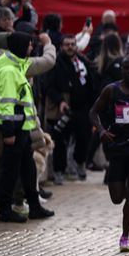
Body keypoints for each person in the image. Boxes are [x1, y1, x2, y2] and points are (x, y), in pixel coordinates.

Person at [90, 55, 129, 252]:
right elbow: (93, 112)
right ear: (121, 70)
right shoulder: (111, 90)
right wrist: (101, 130)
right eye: (127, 68)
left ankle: (125, 237)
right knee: (117, 198)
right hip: (117, 149)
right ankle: (124, 189)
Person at [0, 32, 54, 222]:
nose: (32, 48)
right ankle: (5, 210)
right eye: (29, 45)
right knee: (9, 172)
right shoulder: (9, 71)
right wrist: (8, 132)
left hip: (22, 129)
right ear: (22, 47)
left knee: (28, 171)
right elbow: (6, 104)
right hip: (14, 130)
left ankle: (35, 206)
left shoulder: (17, 65)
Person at [46, 34, 97, 182]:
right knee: (60, 142)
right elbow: (49, 87)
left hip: (84, 108)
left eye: (72, 44)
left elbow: (91, 83)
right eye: (67, 44)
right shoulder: (56, 63)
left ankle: (80, 163)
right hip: (65, 109)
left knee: (84, 138)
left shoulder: (82, 61)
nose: (70, 47)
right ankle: (59, 171)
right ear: (61, 47)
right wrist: (60, 101)